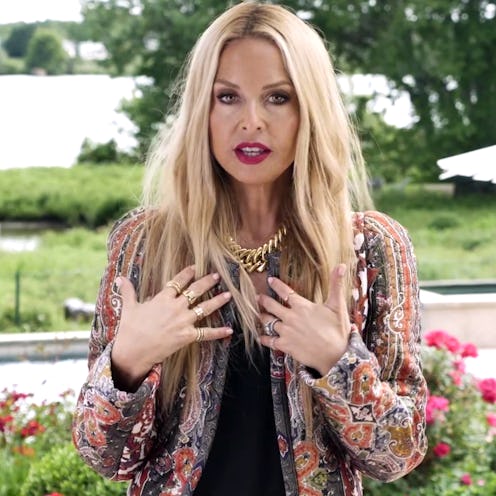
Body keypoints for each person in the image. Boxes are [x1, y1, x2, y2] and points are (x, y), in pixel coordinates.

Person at [72, 2, 427, 495]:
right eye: (228, 97)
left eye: (277, 97)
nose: (252, 121)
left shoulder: (370, 249)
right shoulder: (144, 245)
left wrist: (338, 362)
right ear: (202, 109)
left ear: (309, 109)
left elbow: (399, 456)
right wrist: (128, 362)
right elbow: (104, 457)